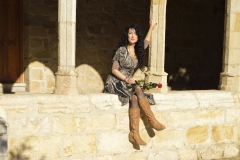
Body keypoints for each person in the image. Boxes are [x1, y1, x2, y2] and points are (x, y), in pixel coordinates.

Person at [104, 19, 165, 145]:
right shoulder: (121, 50)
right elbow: (114, 69)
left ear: (138, 37)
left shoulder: (138, 50)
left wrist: (151, 28)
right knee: (137, 88)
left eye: (135, 34)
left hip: (128, 83)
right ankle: (151, 119)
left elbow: (146, 42)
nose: (133, 36)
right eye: (130, 33)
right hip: (115, 81)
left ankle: (134, 134)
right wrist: (126, 79)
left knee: (135, 97)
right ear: (127, 35)